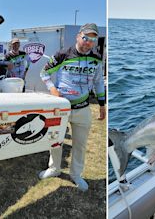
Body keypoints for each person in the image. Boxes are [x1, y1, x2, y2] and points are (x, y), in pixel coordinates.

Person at [39, 23, 106, 191]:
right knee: (56, 140)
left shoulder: (97, 58)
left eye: (92, 39)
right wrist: (52, 89)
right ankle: (54, 168)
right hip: (61, 108)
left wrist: (102, 104)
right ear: (78, 36)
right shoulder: (63, 54)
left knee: (80, 144)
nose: (88, 42)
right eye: (85, 38)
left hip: (83, 108)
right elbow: (44, 73)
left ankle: (76, 174)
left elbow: (98, 82)